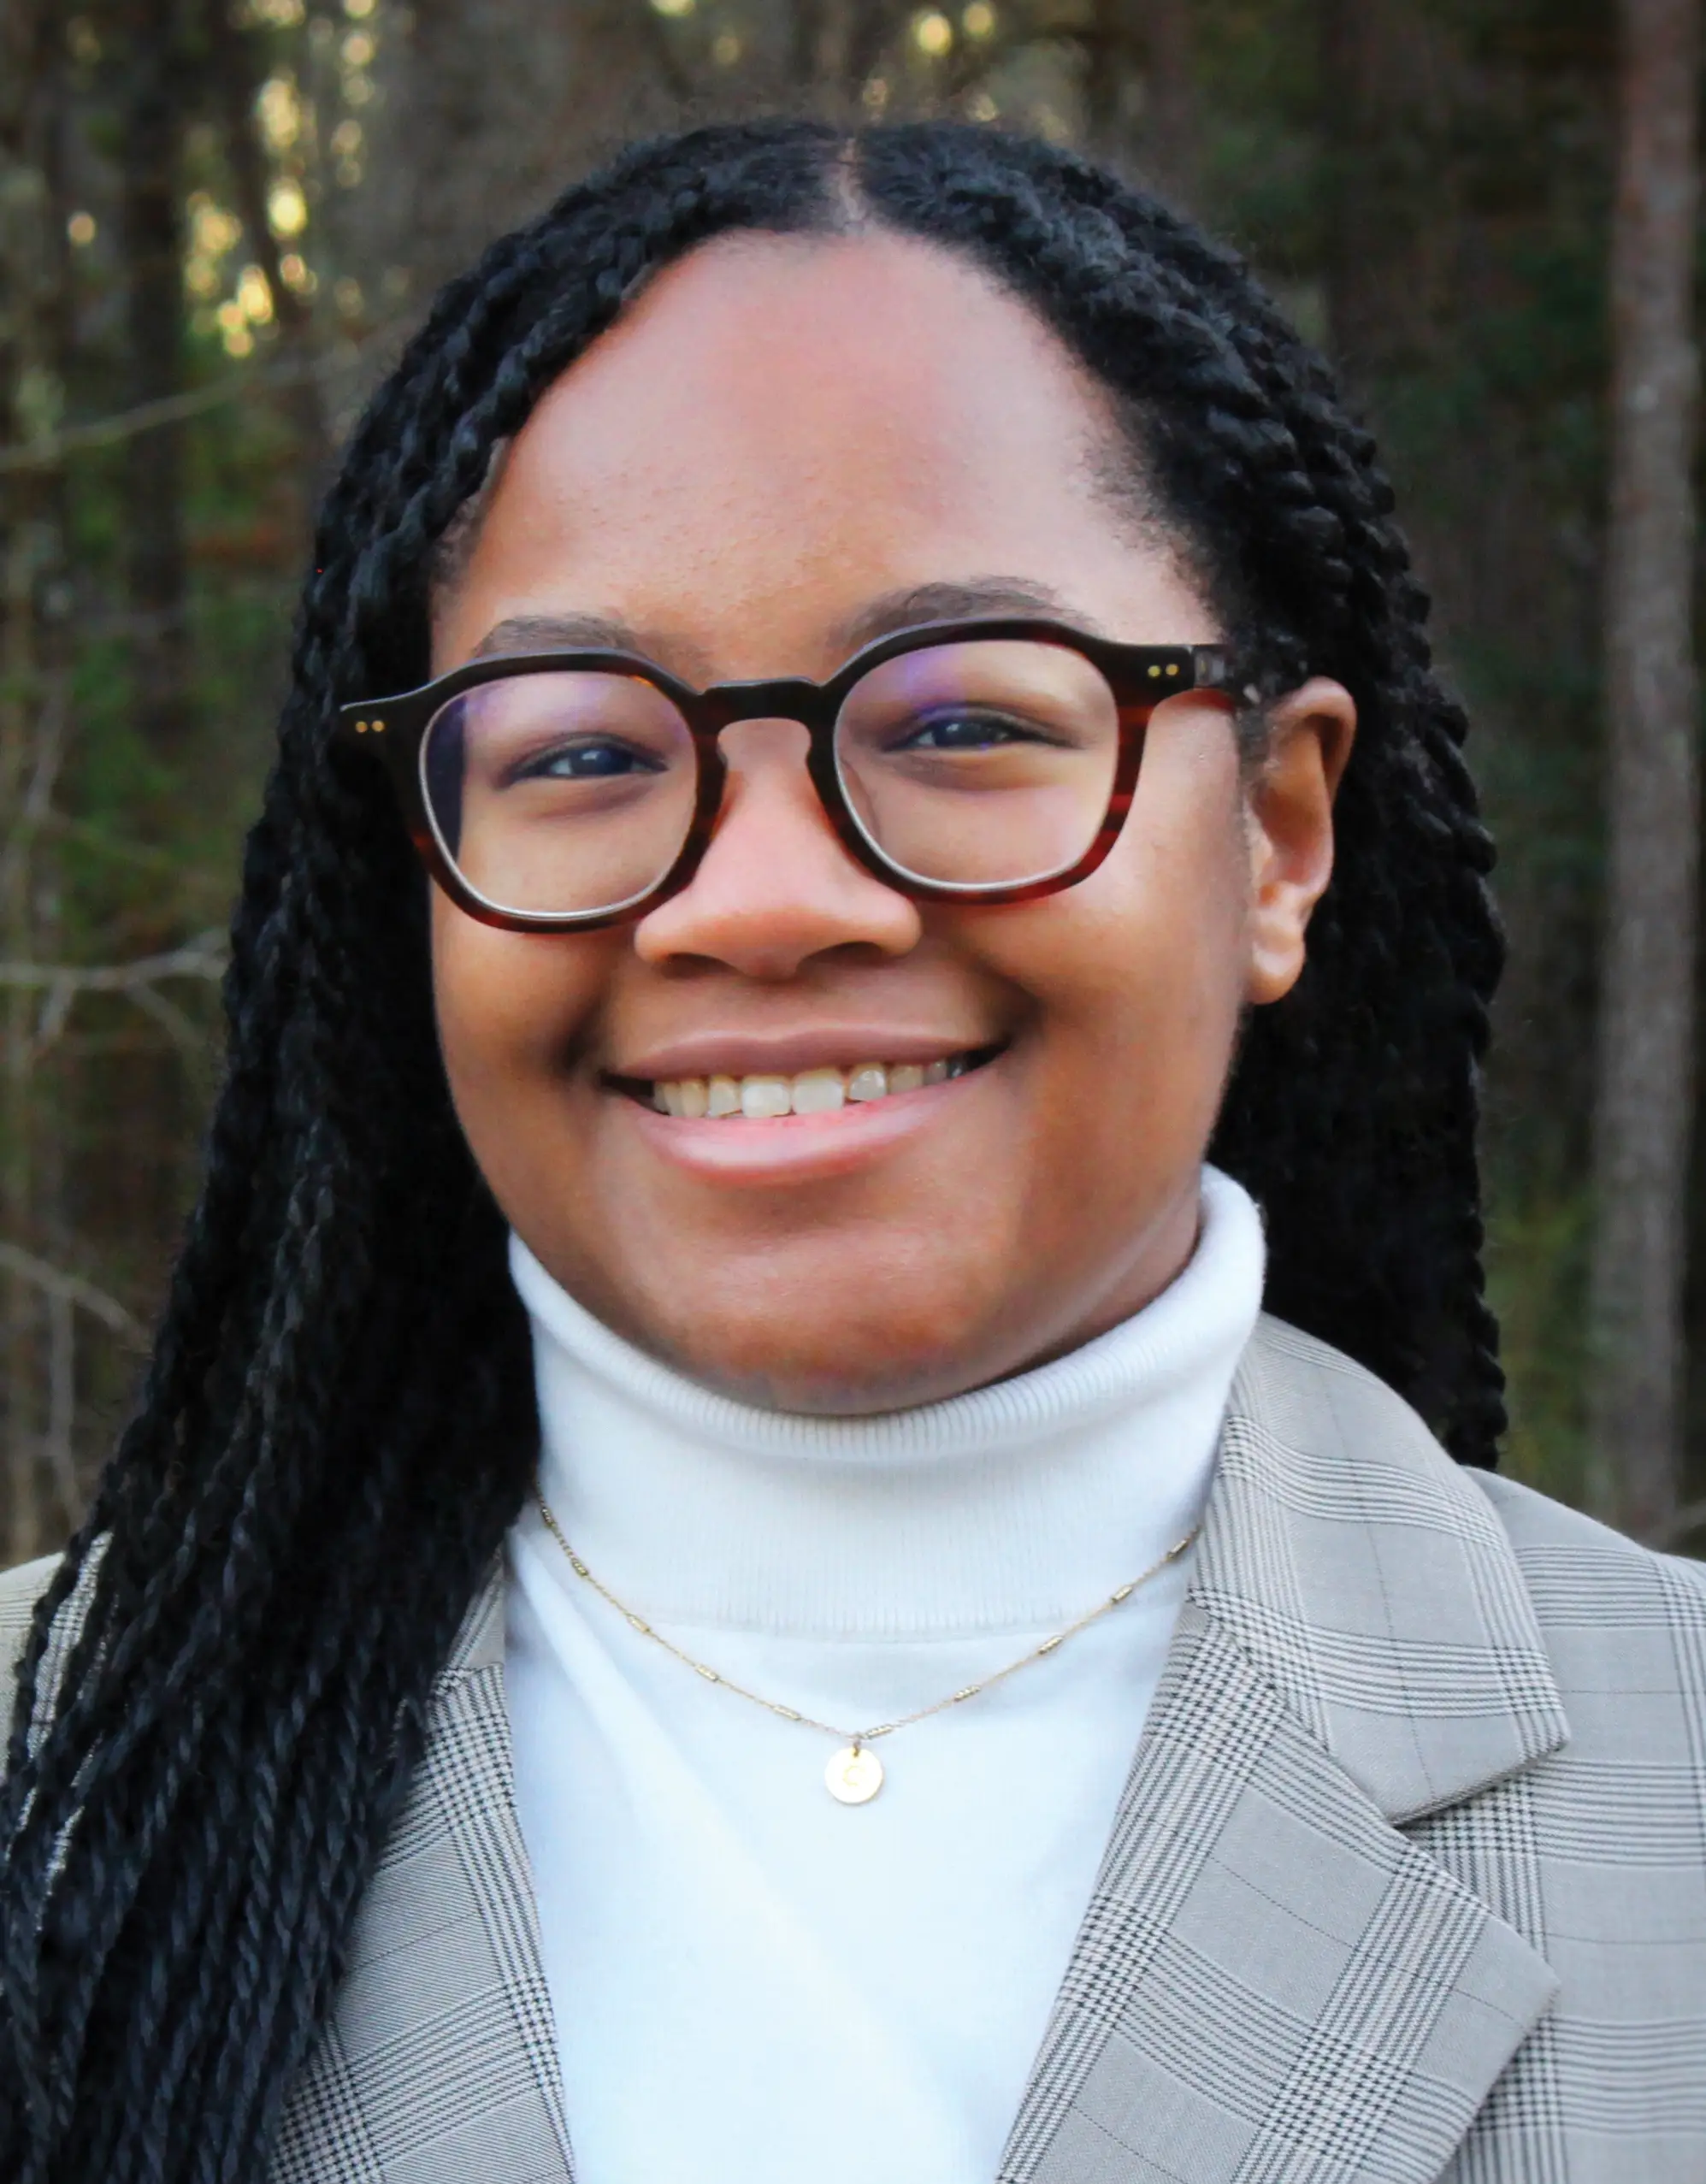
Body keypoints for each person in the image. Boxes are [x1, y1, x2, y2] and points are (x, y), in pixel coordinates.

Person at [1, 116, 1702, 2184]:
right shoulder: (52, 1788)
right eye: (583, 751)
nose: (763, 896)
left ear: (1275, 832)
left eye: (966, 721)